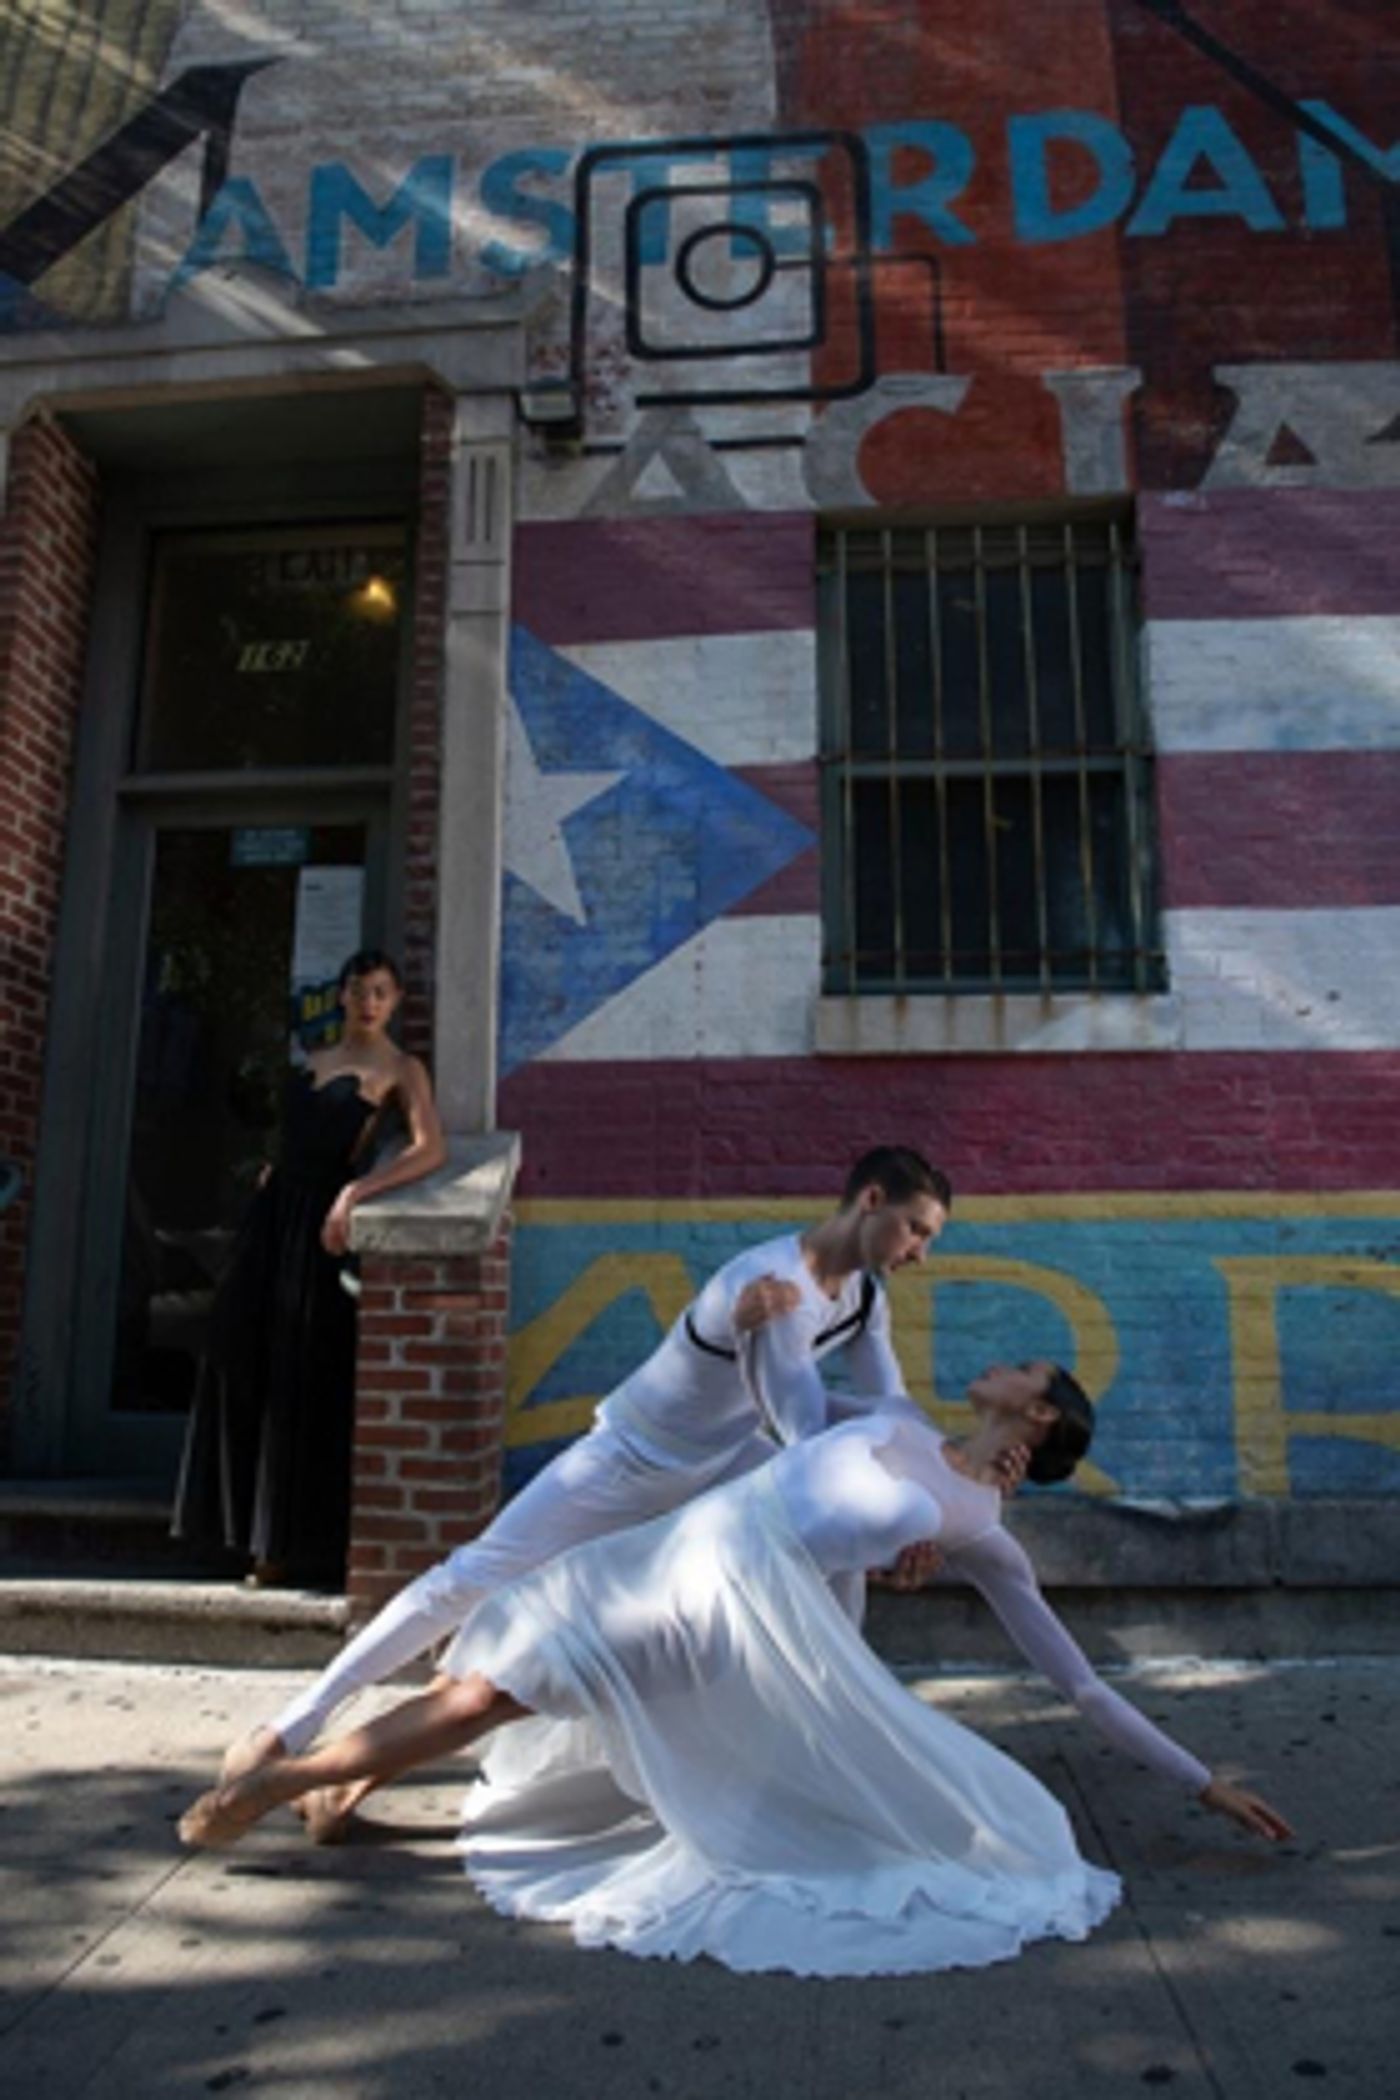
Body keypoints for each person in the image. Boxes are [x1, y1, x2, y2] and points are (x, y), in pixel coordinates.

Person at [177, 1359, 1290, 1979]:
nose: (997, 1361)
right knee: (498, 1664)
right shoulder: (896, 1421)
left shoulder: (975, 1528)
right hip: (658, 1555)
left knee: (488, 1694)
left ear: (1035, 1413)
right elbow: (784, 1393)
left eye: (1024, 1368)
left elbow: (1079, 1682)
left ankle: (273, 1782)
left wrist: (1202, 1779)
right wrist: (756, 1316)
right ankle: (336, 1790)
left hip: (707, 1613)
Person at [215, 1146, 952, 1780]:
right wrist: (892, 1509)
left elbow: (891, 1412)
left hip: (723, 1458)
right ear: (871, 1199)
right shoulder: (765, 1284)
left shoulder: (859, 1299)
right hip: (630, 1458)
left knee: (834, 1563)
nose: (920, 1250)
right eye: (916, 1229)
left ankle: (835, 1732)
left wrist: (933, 1493)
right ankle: (292, 1727)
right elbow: (806, 1431)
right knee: (468, 1579)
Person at [171, 949, 447, 1589]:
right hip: (270, 1216)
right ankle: (230, 1531)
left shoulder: (401, 1068)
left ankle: (284, 1549)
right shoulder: (313, 1058)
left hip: (321, 1226)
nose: (367, 1002)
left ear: (396, 1000)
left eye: (380, 991)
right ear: (342, 995)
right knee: (237, 1354)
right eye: (357, 990)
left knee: (300, 1371)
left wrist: (357, 1194)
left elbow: (431, 1149)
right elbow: (286, 1138)